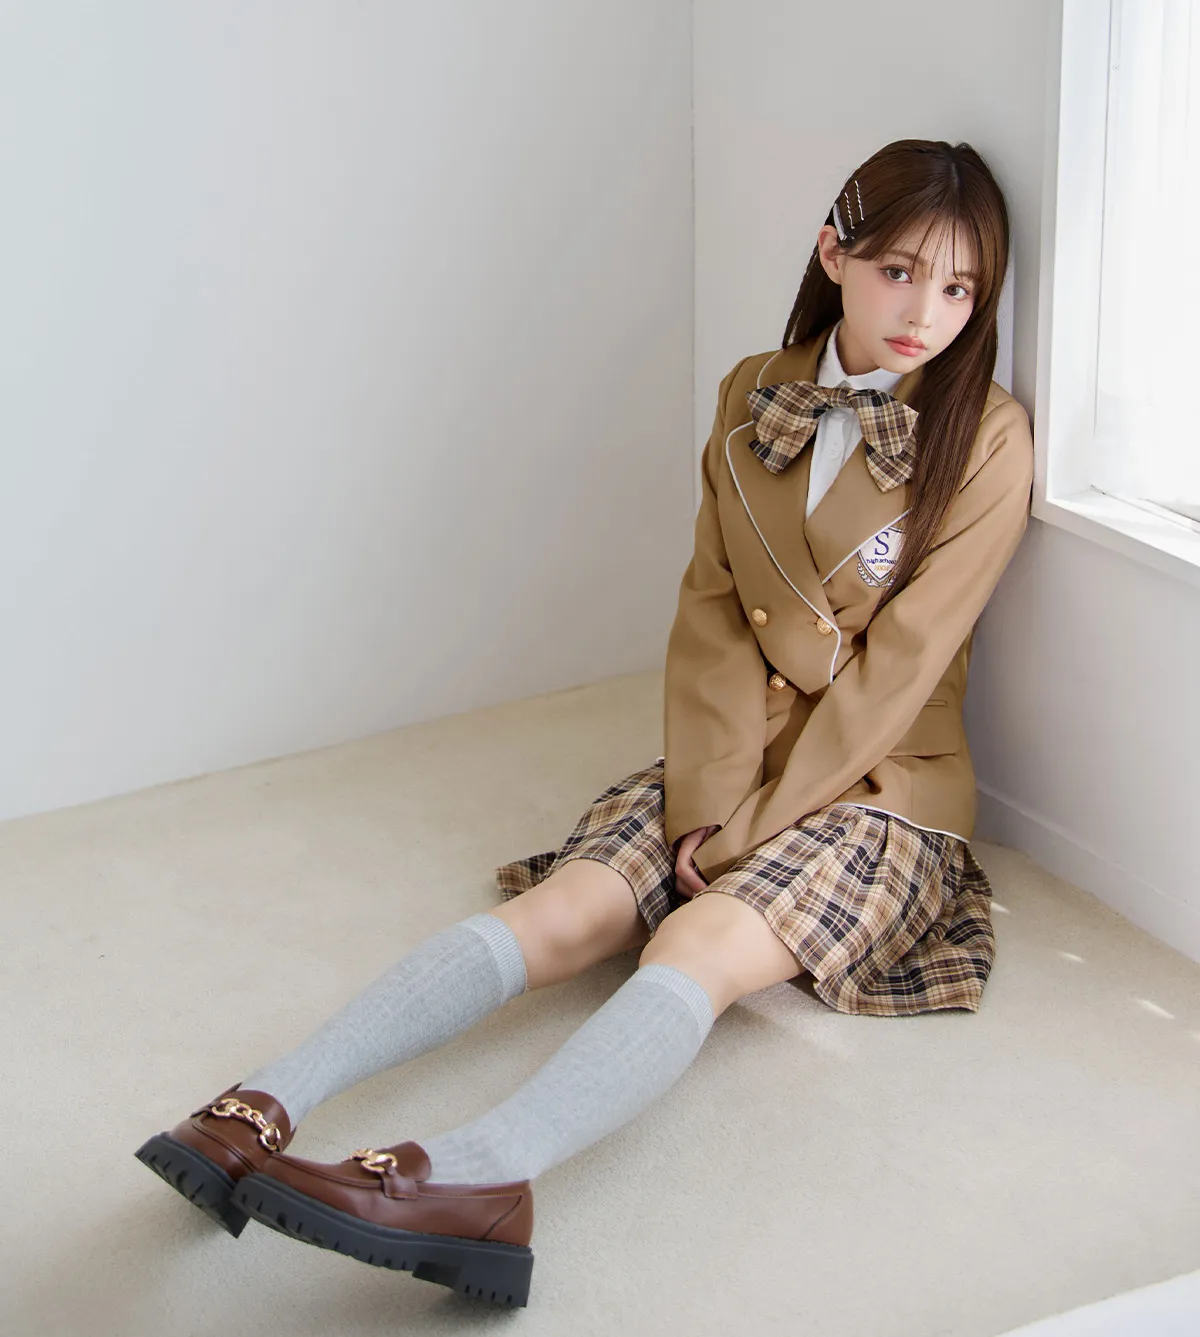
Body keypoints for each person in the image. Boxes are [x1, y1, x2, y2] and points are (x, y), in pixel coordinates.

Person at [135, 138, 1034, 1309]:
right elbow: (713, 612)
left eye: (960, 288)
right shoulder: (752, 390)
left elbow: (898, 672)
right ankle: (262, 1101)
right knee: (563, 909)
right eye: (900, 271)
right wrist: (707, 803)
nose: (925, 313)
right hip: (729, 750)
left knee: (697, 945)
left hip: (878, 782)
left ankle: (482, 1176)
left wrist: (750, 829)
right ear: (834, 253)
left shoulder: (985, 436)